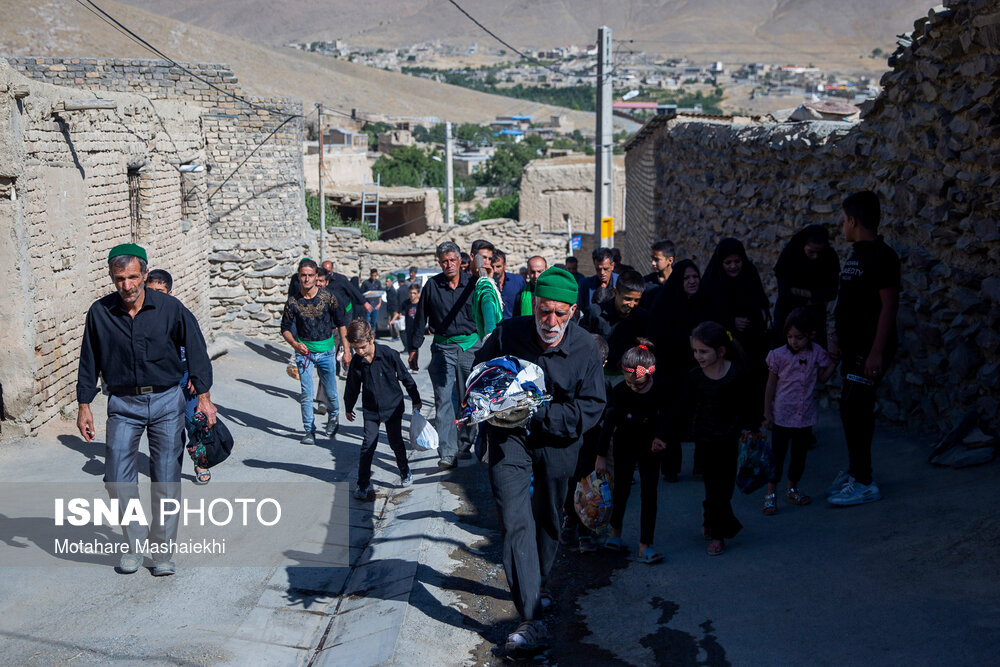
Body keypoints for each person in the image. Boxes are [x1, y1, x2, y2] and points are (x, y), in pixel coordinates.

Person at [474, 267, 606, 656]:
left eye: (559, 314)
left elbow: (592, 407)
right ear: (534, 307)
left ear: (573, 311)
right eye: (543, 312)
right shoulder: (508, 333)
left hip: (558, 444)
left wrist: (537, 413)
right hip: (509, 438)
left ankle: (538, 584)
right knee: (514, 520)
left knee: (548, 518)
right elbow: (479, 372)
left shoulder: (584, 349)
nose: (550, 322)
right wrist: (481, 400)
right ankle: (531, 616)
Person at [76, 243, 216, 576]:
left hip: (168, 401)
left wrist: (205, 396)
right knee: (115, 479)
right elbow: (88, 360)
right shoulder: (100, 312)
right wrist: (84, 404)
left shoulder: (170, 308)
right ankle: (135, 541)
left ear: (145, 273)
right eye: (119, 278)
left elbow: (196, 348)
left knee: (166, 479)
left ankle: (163, 551)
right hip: (123, 404)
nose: (127, 285)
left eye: (133, 277)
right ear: (112, 277)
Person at [656, 321, 759, 556]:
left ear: (720, 351)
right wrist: (664, 435)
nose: (698, 356)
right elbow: (680, 409)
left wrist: (753, 428)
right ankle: (718, 535)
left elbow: (748, 404)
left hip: (730, 439)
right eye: (695, 351)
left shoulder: (737, 373)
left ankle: (709, 513)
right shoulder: (694, 377)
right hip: (705, 441)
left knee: (726, 489)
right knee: (714, 489)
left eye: (703, 351)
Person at [827, 190, 900, 507]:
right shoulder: (857, 253)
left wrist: (875, 353)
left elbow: (889, 307)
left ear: (853, 220)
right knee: (849, 410)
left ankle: (864, 481)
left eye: (844, 220)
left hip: (867, 352)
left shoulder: (883, 256)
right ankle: (857, 471)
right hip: (852, 349)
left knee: (857, 412)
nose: (842, 226)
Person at [409, 242, 480, 469]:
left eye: (452, 260)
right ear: (439, 263)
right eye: (444, 261)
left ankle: (465, 444)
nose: (448, 265)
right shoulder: (432, 286)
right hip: (442, 349)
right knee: (443, 401)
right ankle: (447, 452)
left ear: (461, 261)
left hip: (470, 347)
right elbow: (420, 319)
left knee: (468, 399)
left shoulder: (474, 284)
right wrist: (414, 348)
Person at [596, 340, 667, 563]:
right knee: (621, 490)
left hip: (650, 447)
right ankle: (615, 532)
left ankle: (645, 544)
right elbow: (609, 422)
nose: (634, 387)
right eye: (630, 383)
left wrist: (661, 437)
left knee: (649, 494)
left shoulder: (660, 390)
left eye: (639, 384)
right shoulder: (620, 391)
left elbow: (669, 417)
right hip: (624, 444)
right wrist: (601, 455)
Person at [762, 308, 835, 514]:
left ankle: (792, 489)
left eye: (799, 337)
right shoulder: (778, 356)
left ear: (811, 335)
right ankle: (771, 493)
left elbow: (822, 378)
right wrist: (767, 412)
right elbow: (770, 386)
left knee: (799, 456)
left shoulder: (817, 353)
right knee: (777, 455)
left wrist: (834, 364)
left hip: (805, 416)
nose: (794, 341)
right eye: (790, 337)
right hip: (782, 415)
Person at [344, 319, 423, 499]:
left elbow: (405, 378)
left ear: (371, 339)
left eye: (362, 347)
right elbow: (352, 386)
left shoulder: (389, 354)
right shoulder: (357, 362)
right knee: (368, 446)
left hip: (393, 407)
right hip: (371, 410)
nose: (360, 352)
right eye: (356, 349)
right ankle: (362, 485)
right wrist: (348, 406)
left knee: (396, 442)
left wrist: (416, 399)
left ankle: (404, 470)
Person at [145, 269, 210, 486]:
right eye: (151, 290)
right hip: (163, 383)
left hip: (186, 379)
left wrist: (195, 376)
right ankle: (169, 469)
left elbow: (196, 348)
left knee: (195, 424)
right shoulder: (142, 316)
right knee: (168, 430)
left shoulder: (180, 314)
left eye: (160, 291)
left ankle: (201, 462)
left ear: (170, 293)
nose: (155, 294)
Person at [649, 259, 709, 482]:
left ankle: (701, 465)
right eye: (687, 278)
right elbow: (658, 336)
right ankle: (670, 467)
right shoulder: (666, 303)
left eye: (695, 277)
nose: (693, 281)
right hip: (672, 370)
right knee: (672, 415)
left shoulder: (704, 302)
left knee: (702, 415)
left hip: (700, 369)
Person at [280, 259, 349, 444]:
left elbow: (342, 323)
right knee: (306, 393)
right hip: (305, 353)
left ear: (316, 276)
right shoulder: (293, 301)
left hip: (327, 352)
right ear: (299, 276)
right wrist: (295, 344)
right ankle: (309, 430)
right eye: (303, 275)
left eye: (310, 275)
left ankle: (333, 416)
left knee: (331, 393)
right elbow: (285, 328)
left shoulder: (328, 297)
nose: (307, 279)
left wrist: (346, 350)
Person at [702, 238, 771, 413]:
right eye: (728, 262)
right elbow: (709, 312)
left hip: (753, 339)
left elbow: (760, 300)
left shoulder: (750, 273)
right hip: (726, 343)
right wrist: (731, 322)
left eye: (737, 261)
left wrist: (758, 315)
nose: (733, 266)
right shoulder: (713, 281)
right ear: (720, 263)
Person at [561, 334, 609, 554]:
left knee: (577, 487)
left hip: (581, 445)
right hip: (586, 446)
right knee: (586, 490)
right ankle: (582, 532)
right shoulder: (603, 383)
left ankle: (573, 527)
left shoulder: (570, 376)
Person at [773, 225, 840, 348]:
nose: (815, 257)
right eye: (811, 252)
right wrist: (814, 297)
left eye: (819, 252)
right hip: (787, 316)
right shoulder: (790, 255)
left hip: (814, 319)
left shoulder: (829, 257)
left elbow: (831, 292)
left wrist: (807, 294)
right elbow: (785, 293)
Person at [579, 269, 649, 380]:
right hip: (597, 376)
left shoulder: (642, 317)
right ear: (615, 292)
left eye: (636, 300)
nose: (631, 305)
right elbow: (581, 343)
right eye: (628, 299)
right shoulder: (595, 313)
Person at [471, 252, 503, 340]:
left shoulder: (489, 285)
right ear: (472, 258)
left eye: (490, 259)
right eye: (483, 258)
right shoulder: (468, 282)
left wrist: (489, 279)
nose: (486, 262)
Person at [577, 248, 618, 312]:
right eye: (598, 269)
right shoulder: (585, 284)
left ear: (612, 266)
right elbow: (580, 308)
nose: (602, 273)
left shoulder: (621, 283)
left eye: (605, 269)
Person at [493, 249, 527, 320]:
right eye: (492, 267)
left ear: (504, 266)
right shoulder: (484, 284)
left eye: (498, 266)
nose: (495, 270)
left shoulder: (518, 281)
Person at [642, 239, 675, 307]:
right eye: (652, 259)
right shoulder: (646, 282)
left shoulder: (680, 281)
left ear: (670, 260)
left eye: (657, 260)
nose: (653, 263)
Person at [402, 282, 422, 362]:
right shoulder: (406, 303)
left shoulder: (421, 304)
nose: (412, 295)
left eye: (414, 293)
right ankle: (412, 364)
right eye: (410, 293)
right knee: (410, 347)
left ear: (418, 294)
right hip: (409, 328)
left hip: (417, 329)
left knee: (415, 347)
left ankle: (414, 364)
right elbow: (399, 311)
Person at [360, 268, 384, 334]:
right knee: (367, 322)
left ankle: (372, 337)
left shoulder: (378, 283)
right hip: (368, 305)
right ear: (370, 275)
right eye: (372, 275)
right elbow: (361, 294)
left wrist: (379, 304)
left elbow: (380, 294)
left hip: (375, 305)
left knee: (373, 322)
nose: (373, 277)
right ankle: (367, 335)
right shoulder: (365, 283)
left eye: (375, 276)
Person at [384, 274, 402, 341]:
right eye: (386, 281)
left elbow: (394, 301)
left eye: (388, 281)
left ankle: (396, 336)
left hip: (394, 309)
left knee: (394, 322)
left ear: (391, 282)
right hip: (389, 308)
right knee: (390, 323)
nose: (386, 283)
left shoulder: (393, 290)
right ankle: (393, 336)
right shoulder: (387, 289)